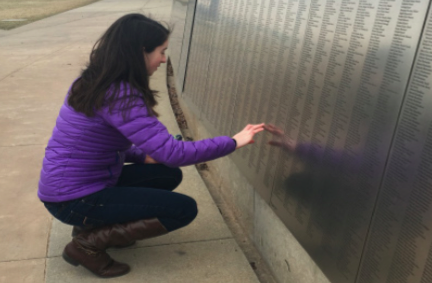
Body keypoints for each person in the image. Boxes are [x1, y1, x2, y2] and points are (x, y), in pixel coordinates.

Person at [38, 13, 264, 278]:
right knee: (183, 209)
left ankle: (94, 226)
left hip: (71, 186)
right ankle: (87, 244)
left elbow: (97, 143)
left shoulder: (95, 81)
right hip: (73, 199)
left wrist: (142, 157)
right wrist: (232, 142)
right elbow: (173, 152)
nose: (164, 59)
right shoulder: (121, 95)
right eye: (161, 51)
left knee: (166, 173)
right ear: (139, 52)